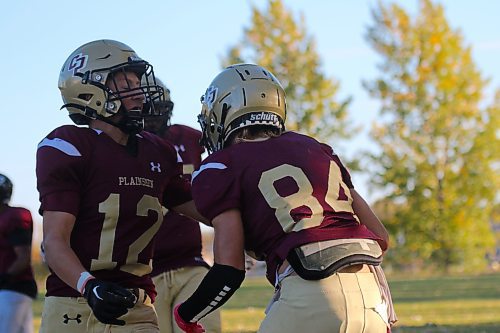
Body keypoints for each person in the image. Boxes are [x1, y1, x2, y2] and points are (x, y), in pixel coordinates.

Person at [174, 64, 397, 333]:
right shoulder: (315, 148)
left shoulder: (221, 166)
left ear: (222, 115)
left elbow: (229, 271)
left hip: (310, 293)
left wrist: (187, 314)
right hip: (373, 300)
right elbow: (380, 237)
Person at [36, 39, 208, 333]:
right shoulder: (68, 146)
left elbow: (207, 211)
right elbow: (54, 242)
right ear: (91, 88)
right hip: (72, 304)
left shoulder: (159, 152)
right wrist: (89, 286)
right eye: (126, 81)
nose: (140, 92)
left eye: (138, 81)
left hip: (135, 308)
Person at [143, 79, 221, 333]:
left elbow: (225, 162)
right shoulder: (125, 150)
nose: (153, 117)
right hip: (144, 273)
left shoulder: (188, 138)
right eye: (147, 110)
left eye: (159, 109)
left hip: (191, 263)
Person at [0, 174, 37, 333]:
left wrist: (4, 278)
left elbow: (23, 256)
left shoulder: (13, 216)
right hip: (11, 288)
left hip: (13, 287)